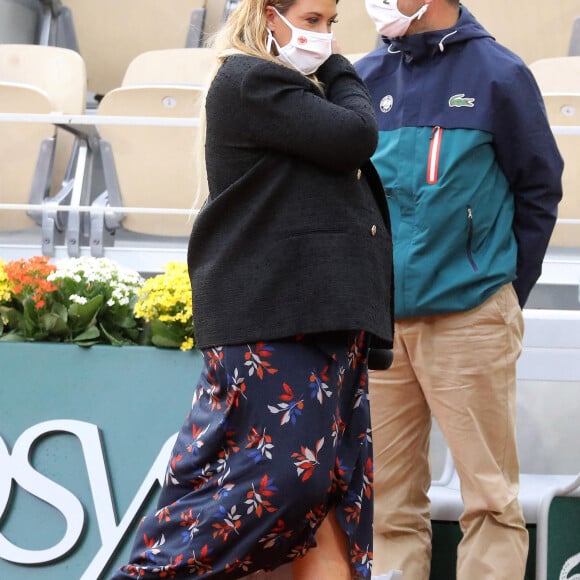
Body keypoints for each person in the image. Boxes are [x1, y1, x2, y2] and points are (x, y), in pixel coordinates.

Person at [111, 0, 394, 578]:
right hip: (274, 320)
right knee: (272, 483)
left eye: (332, 24)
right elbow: (357, 133)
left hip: (325, 320)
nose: (324, 34)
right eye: (313, 20)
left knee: (333, 491)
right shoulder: (250, 78)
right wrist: (340, 67)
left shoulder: (291, 91)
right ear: (269, 15)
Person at [355, 1, 563, 579]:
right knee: (387, 505)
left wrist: (499, 292)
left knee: (491, 500)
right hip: (381, 329)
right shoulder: (363, 77)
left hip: (471, 317)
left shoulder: (500, 74)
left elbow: (540, 189)